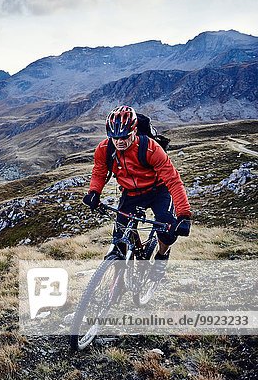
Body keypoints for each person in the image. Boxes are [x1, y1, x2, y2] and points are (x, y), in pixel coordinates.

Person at [82, 105, 191, 280]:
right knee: (119, 240)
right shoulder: (105, 149)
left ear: (134, 130)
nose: (119, 141)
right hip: (131, 194)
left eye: (124, 136)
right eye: (114, 137)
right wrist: (94, 192)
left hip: (158, 191)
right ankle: (117, 283)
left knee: (166, 229)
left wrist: (183, 215)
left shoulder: (150, 148)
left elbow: (173, 180)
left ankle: (162, 257)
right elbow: (99, 171)